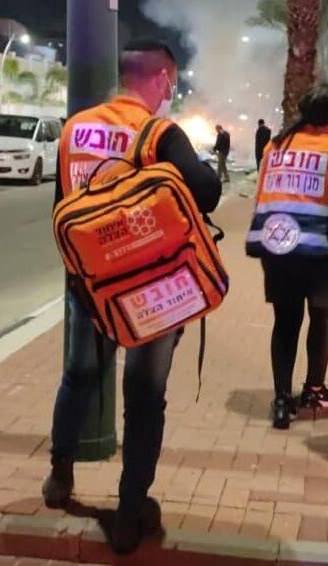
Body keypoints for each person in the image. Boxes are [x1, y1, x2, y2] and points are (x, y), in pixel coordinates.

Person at [44, 38, 221, 555]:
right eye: (171, 82)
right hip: (150, 290)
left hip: (90, 284)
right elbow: (206, 193)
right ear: (163, 79)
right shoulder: (157, 132)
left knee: (79, 376)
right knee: (144, 397)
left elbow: (61, 207)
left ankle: (60, 477)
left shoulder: (76, 128)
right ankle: (127, 511)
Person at [246, 84, 328, 429]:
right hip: (321, 252)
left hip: (278, 248)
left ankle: (280, 400)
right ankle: (313, 391)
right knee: (321, 319)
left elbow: (262, 195)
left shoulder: (276, 146)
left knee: (285, 323)